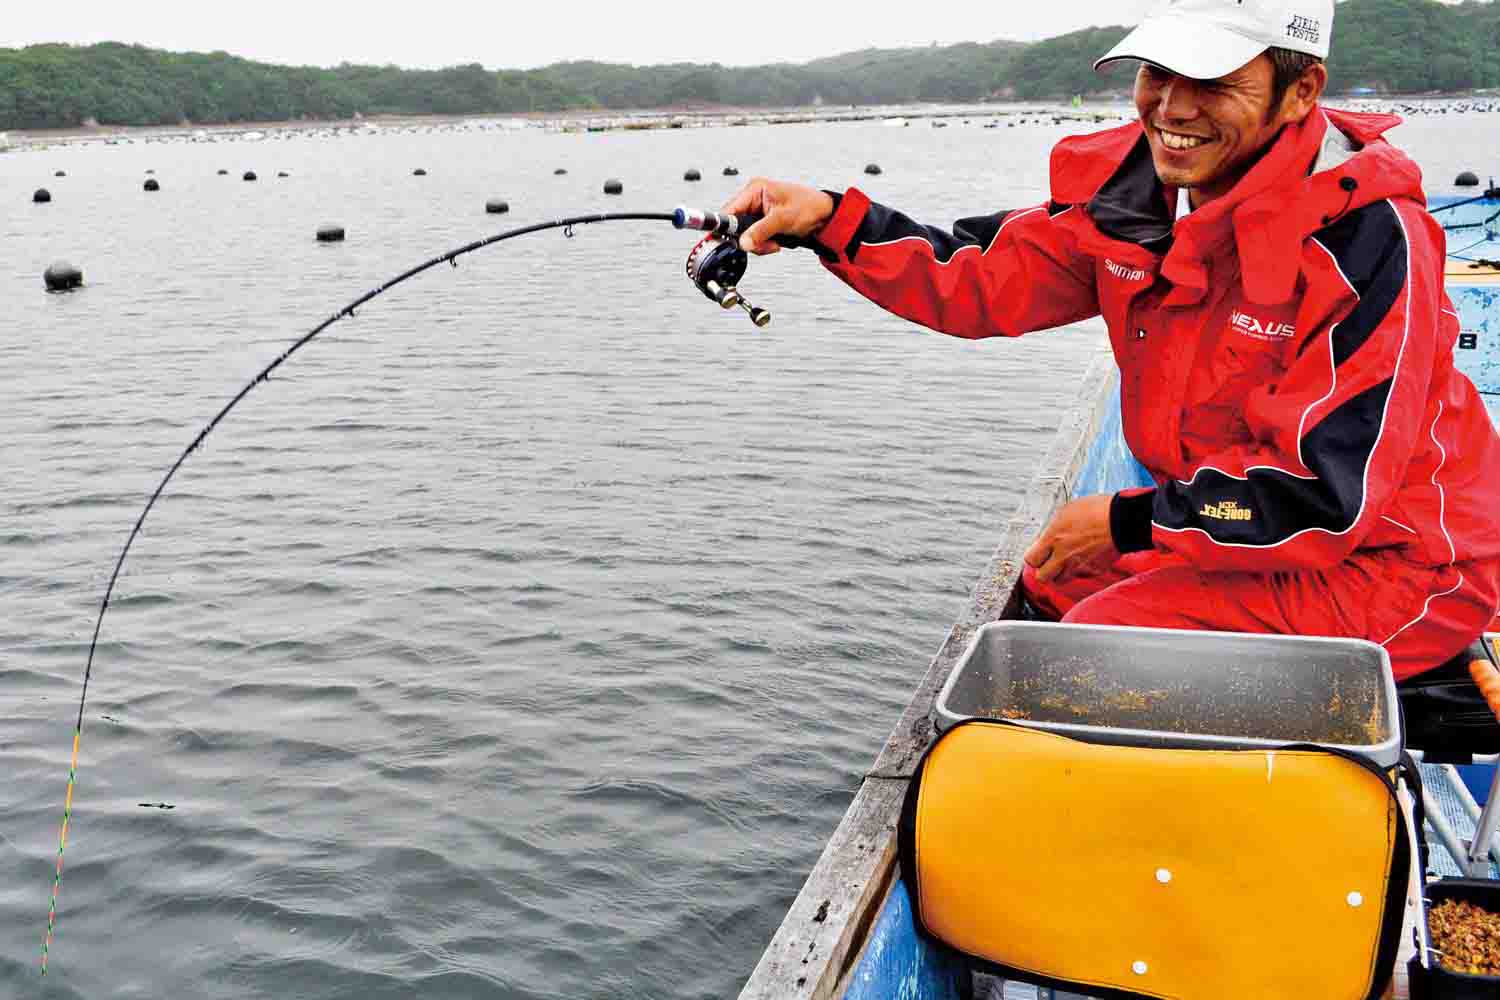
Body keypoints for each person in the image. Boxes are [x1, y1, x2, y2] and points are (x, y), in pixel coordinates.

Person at [722, 0, 1500, 681]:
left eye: (1215, 82)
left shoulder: (1369, 239)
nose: (1172, 108)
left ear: (1301, 93)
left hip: (1396, 565)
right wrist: (829, 219)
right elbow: (981, 276)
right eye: (1157, 72)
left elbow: (1330, 498)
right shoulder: (1137, 201)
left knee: (1090, 651)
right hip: (1242, 530)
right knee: (1052, 585)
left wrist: (1128, 522)